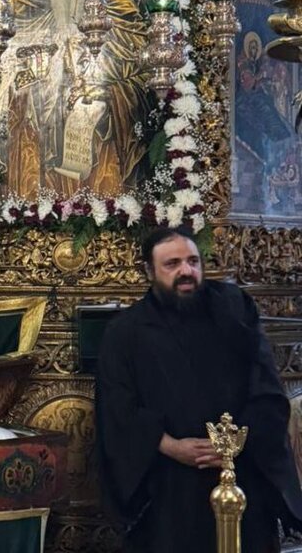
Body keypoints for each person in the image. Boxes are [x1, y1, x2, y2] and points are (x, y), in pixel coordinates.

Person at [96, 226, 302, 553]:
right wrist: (170, 446)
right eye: (172, 263)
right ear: (149, 271)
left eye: (193, 261)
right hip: (170, 482)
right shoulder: (125, 332)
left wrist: (236, 444)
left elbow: (266, 385)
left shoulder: (236, 309)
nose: (186, 271)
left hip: (241, 468)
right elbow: (117, 407)